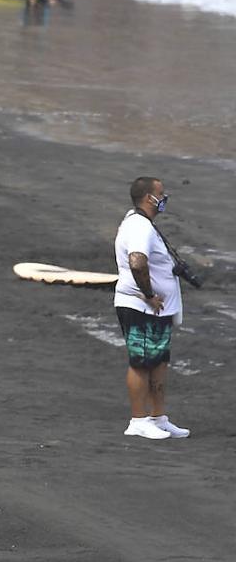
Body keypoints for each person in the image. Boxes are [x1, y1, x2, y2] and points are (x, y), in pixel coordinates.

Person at [113, 176, 189, 440]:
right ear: (149, 198)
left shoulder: (142, 223)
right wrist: (149, 295)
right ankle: (138, 420)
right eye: (161, 194)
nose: (164, 198)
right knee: (141, 363)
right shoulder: (139, 227)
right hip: (140, 306)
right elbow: (137, 262)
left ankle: (158, 418)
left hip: (155, 309)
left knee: (158, 362)